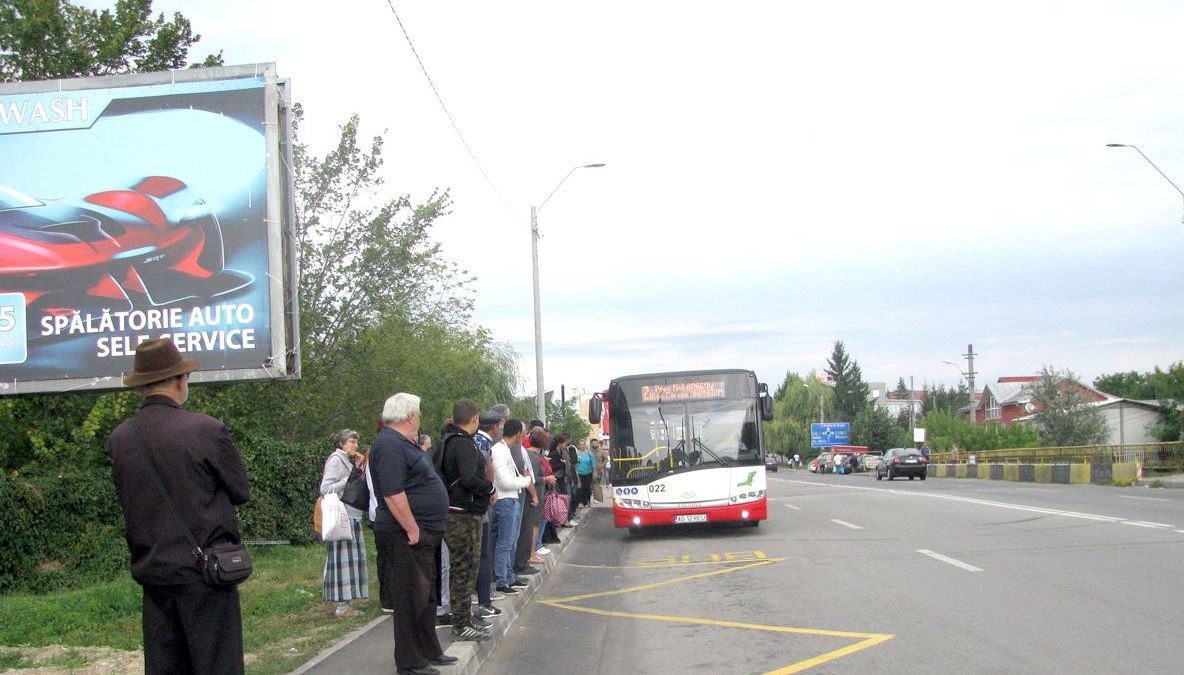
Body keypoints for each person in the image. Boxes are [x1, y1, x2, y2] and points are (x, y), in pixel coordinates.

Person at [108, 338, 251, 674]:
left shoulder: (121, 439)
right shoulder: (205, 429)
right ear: (179, 380)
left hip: (154, 575)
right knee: (218, 666)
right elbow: (240, 491)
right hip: (206, 574)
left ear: (141, 385)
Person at [369, 392, 458, 674]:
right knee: (411, 597)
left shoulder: (403, 443)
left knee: (427, 594)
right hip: (405, 533)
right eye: (418, 414)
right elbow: (393, 492)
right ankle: (409, 661)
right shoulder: (389, 444)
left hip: (425, 530)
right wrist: (412, 528)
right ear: (409, 417)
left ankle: (429, 649)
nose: (419, 419)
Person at [437, 400, 495, 641]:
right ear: (474, 418)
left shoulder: (447, 441)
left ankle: (464, 616)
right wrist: (489, 488)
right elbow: (469, 478)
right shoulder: (462, 444)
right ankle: (461, 623)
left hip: (454, 511)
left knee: (463, 567)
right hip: (463, 514)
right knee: (465, 567)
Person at [319, 429, 369, 617]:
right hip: (342, 518)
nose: (355, 445)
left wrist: (358, 468)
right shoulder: (336, 460)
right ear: (341, 443)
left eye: (356, 442)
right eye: (351, 442)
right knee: (343, 559)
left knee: (351, 559)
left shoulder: (347, 461)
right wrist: (348, 480)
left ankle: (347, 602)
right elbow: (325, 488)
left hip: (352, 516)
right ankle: (342, 606)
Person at [490, 419, 532, 595]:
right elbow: (504, 481)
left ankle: (508, 576)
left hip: (510, 500)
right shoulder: (499, 451)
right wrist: (526, 481)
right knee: (504, 543)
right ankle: (502, 580)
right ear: (518, 434)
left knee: (508, 542)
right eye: (523, 433)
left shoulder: (504, 450)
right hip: (505, 501)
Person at [515, 427, 549, 576]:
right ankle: (528, 556)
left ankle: (528, 555)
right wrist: (546, 479)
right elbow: (531, 478)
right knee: (531, 527)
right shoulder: (532, 457)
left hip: (534, 496)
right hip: (532, 498)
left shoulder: (531, 454)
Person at [575, 438, 596, 507]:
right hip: (580, 473)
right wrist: (576, 473)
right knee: (581, 488)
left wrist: (594, 472)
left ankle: (587, 502)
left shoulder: (590, 453)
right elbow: (576, 465)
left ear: (585, 445)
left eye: (584, 444)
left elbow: (593, 463)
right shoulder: (577, 454)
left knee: (587, 487)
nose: (582, 446)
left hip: (588, 473)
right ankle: (581, 502)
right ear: (579, 446)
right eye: (581, 444)